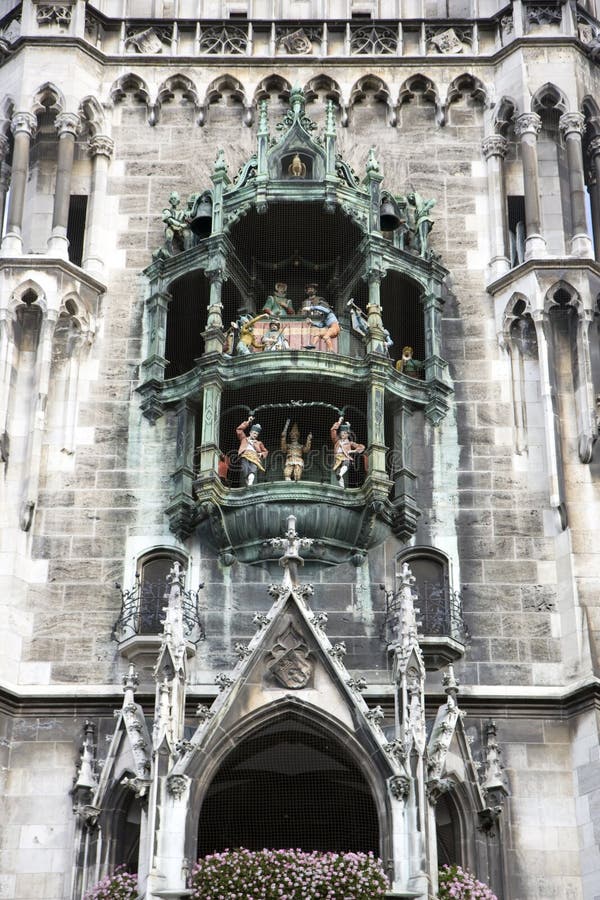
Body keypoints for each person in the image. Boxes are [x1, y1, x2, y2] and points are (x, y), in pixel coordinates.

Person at [330, 416, 365, 488]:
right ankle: (342, 487)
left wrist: (354, 451)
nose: (342, 434)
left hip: (345, 457)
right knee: (338, 472)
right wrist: (339, 421)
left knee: (346, 463)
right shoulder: (336, 441)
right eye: (342, 433)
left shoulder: (350, 443)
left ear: (348, 434)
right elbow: (333, 430)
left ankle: (340, 475)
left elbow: (362, 447)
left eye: (345, 433)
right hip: (337, 458)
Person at [304, 285, 340, 352]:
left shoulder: (328, 312)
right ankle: (313, 345)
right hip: (331, 329)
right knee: (318, 334)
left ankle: (331, 350)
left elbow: (320, 308)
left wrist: (310, 308)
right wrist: (312, 323)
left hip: (335, 328)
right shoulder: (324, 318)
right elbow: (320, 325)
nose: (319, 312)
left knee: (326, 336)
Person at [236, 417, 268, 486]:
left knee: (252, 471)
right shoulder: (244, 439)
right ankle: (247, 482)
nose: (255, 435)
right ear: (250, 433)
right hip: (245, 456)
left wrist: (261, 454)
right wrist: (248, 422)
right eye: (254, 433)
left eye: (256, 434)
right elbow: (239, 430)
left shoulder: (259, 443)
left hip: (254, 457)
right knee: (245, 471)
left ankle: (250, 484)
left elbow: (265, 451)